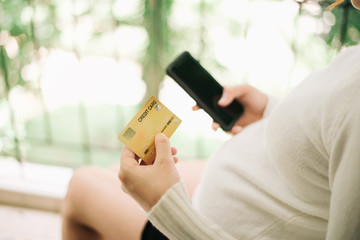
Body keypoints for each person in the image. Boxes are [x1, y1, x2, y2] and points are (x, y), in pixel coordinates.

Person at [61, 0, 360, 239]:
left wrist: (166, 207)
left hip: (198, 227)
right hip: (265, 190)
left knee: (81, 186)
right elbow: (336, 129)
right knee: (114, 172)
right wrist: (270, 111)